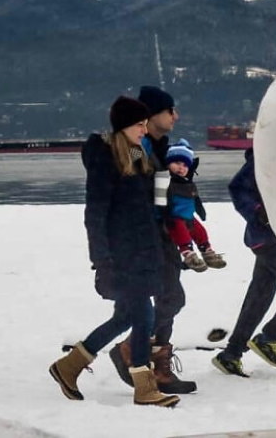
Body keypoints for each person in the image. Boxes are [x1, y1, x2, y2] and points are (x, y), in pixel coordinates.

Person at [49, 96, 179, 407]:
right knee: (144, 316)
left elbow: (148, 200)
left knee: (124, 317)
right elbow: (95, 213)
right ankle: (144, 386)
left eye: (145, 125)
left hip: (142, 250)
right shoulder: (105, 158)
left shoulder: (137, 156)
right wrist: (102, 261)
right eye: (139, 125)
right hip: (122, 255)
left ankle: (68, 366)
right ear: (124, 125)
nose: (144, 131)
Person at [108, 85, 197, 395]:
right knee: (170, 299)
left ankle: (159, 367)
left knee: (165, 299)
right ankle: (131, 348)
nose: (176, 115)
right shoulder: (138, 149)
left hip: (167, 235)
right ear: (153, 113)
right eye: (170, 110)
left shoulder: (164, 150)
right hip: (148, 239)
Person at [212, 147, 276, 377]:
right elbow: (237, 188)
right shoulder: (264, 157)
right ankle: (268, 338)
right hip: (268, 238)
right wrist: (259, 212)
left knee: (260, 296)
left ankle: (230, 355)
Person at [165, 138, 227, 272]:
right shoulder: (166, 181)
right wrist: (164, 214)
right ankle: (188, 253)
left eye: (185, 165)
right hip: (174, 217)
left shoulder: (188, 182)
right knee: (182, 234)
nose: (181, 167)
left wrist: (200, 210)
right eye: (176, 163)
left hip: (189, 216)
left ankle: (207, 251)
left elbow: (195, 198)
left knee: (200, 232)